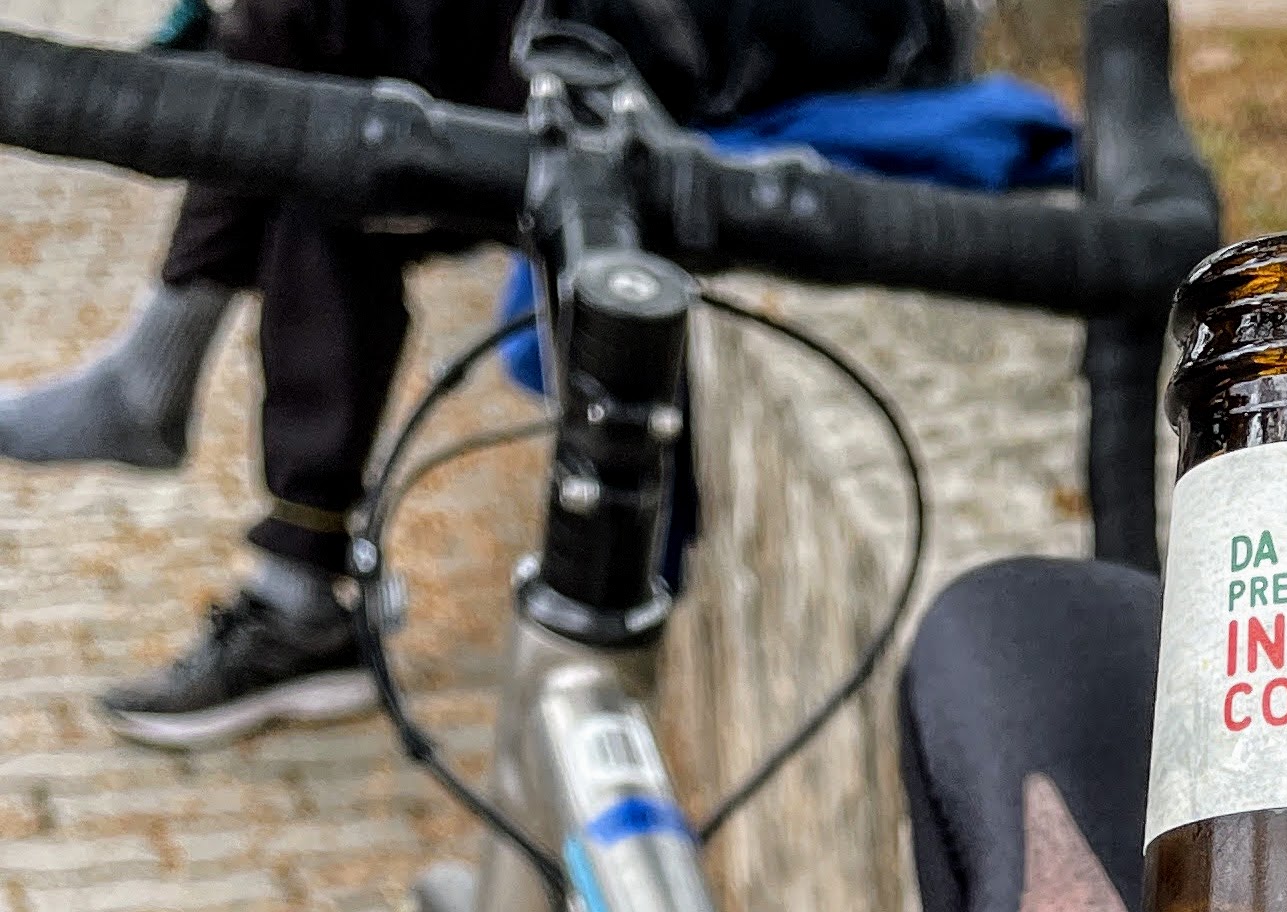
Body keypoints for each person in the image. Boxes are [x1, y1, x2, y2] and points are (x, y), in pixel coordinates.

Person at [0, 0, 960, 750]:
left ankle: (170, 395)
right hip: (604, 39)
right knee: (324, 153)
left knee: (319, 75)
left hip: (708, 48)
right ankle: (288, 575)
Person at [0, 0, 529, 747]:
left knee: (318, 120)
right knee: (314, 124)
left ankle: (292, 591)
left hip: (573, 91)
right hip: (488, 70)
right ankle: (295, 589)